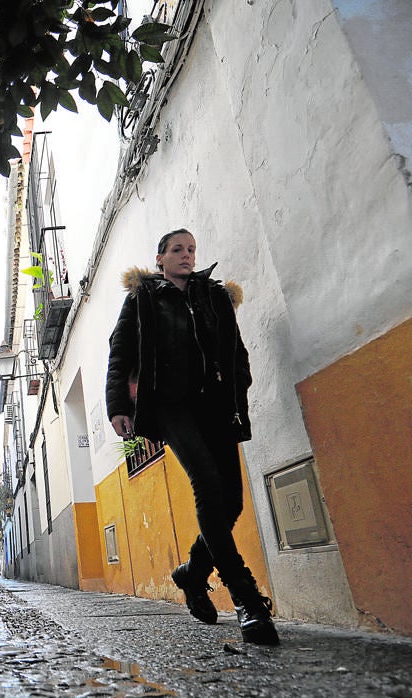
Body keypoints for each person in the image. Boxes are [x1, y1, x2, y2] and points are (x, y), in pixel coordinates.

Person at [105, 228, 278, 646]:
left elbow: (235, 351)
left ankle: (192, 572)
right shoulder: (143, 299)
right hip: (169, 405)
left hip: (215, 405)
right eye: (177, 249)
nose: (186, 255)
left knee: (232, 500)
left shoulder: (215, 296)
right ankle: (246, 598)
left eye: (192, 249)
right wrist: (118, 406)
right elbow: (120, 352)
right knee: (206, 482)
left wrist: (239, 386)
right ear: (160, 257)